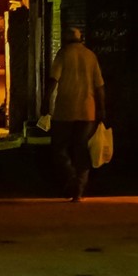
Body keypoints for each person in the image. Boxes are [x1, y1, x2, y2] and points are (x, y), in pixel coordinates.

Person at [41, 27, 105, 201]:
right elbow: (99, 86)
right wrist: (102, 109)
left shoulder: (63, 54)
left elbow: (53, 80)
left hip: (65, 111)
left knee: (59, 148)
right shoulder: (90, 56)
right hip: (87, 111)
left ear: (65, 39)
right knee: (81, 148)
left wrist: (45, 103)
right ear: (81, 38)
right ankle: (79, 189)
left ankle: (71, 176)